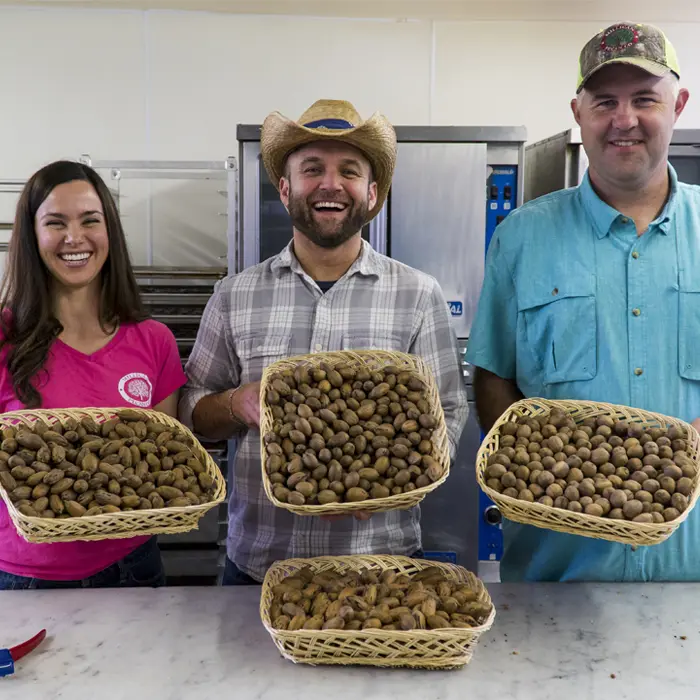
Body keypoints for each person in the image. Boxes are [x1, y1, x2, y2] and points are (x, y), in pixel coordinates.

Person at [179, 99, 469, 584]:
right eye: (312, 169)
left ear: (371, 193)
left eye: (348, 171)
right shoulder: (234, 295)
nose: (330, 184)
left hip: (381, 569)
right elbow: (192, 409)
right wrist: (237, 404)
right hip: (259, 567)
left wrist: (399, 480)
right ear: (285, 188)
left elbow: (450, 412)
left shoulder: (419, 294)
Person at [466, 22, 700, 582]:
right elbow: (493, 375)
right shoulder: (521, 237)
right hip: (557, 578)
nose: (624, 119)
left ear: (678, 106)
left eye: (644, 99)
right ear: (578, 113)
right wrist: (532, 469)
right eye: (605, 102)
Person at [0, 160, 187, 590]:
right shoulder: (5, 336)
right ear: (32, 236)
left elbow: (164, 461)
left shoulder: (154, 340)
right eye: (55, 223)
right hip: (24, 575)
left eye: (89, 220)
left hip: (133, 567)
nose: (75, 238)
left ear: (110, 231)